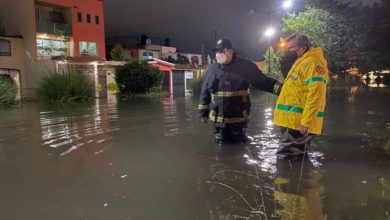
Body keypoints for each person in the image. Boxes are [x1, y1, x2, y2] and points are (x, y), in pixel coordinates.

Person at [198, 39, 283, 144]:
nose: (219, 54)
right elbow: (205, 90)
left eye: (222, 51)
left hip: (238, 119)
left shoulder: (245, 66)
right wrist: (203, 112)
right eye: (217, 51)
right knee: (220, 146)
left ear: (230, 51)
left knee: (239, 145)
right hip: (218, 120)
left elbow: (262, 81)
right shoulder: (212, 68)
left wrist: (282, 90)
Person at [274, 34, 329, 159]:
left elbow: (316, 94)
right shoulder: (301, 61)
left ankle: (289, 178)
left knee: (288, 158)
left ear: (303, 48)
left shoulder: (312, 62)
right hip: (292, 121)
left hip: (299, 124)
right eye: (286, 48)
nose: (287, 51)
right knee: (293, 157)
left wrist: (306, 120)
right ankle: (300, 177)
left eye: (291, 48)